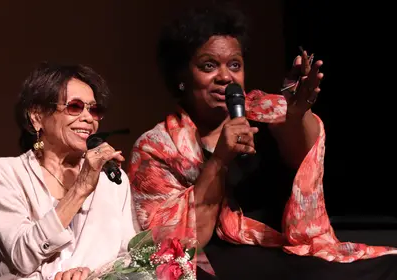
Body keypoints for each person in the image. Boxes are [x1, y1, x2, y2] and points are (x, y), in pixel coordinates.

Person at [127, 3, 397, 280]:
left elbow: (301, 159)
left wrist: (295, 115)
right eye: (208, 65)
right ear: (181, 77)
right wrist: (219, 160)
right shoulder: (157, 147)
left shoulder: (265, 112)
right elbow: (172, 244)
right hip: (220, 260)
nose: (224, 77)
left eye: (234, 65)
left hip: (287, 249)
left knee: (389, 265)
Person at [0, 62, 138, 280]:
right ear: (37, 117)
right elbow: (21, 257)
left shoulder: (112, 178)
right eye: (75, 107)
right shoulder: (7, 173)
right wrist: (81, 188)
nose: (88, 118)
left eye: (94, 110)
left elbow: (129, 259)